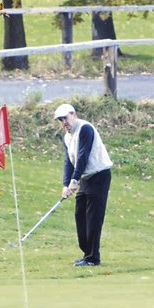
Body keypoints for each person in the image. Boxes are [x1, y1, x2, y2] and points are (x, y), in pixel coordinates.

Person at [53, 103, 113, 267]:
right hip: (86, 178)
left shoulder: (85, 128)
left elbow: (83, 157)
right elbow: (69, 161)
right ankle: (87, 254)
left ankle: (93, 258)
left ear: (74, 114)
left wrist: (74, 181)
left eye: (65, 118)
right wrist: (66, 184)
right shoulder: (67, 136)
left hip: (99, 175)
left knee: (94, 218)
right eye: (60, 120)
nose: (64, 122)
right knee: (80, 215)